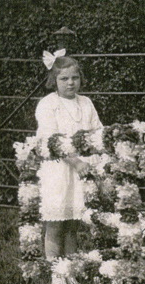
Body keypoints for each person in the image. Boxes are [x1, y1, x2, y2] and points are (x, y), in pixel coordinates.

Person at [36, 50, 103, 261]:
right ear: (54, 80)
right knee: (56, 222)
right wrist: (75, 161)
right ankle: (55, 269)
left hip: (82, 170)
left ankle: (71, 267)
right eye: (64, 79)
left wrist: (96, 158)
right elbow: (52, 139)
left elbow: (97, 131)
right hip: (59, 169)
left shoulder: (86, 103)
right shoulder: (48, 104)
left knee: (73, 222)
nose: (70, 83)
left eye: (75, 78)